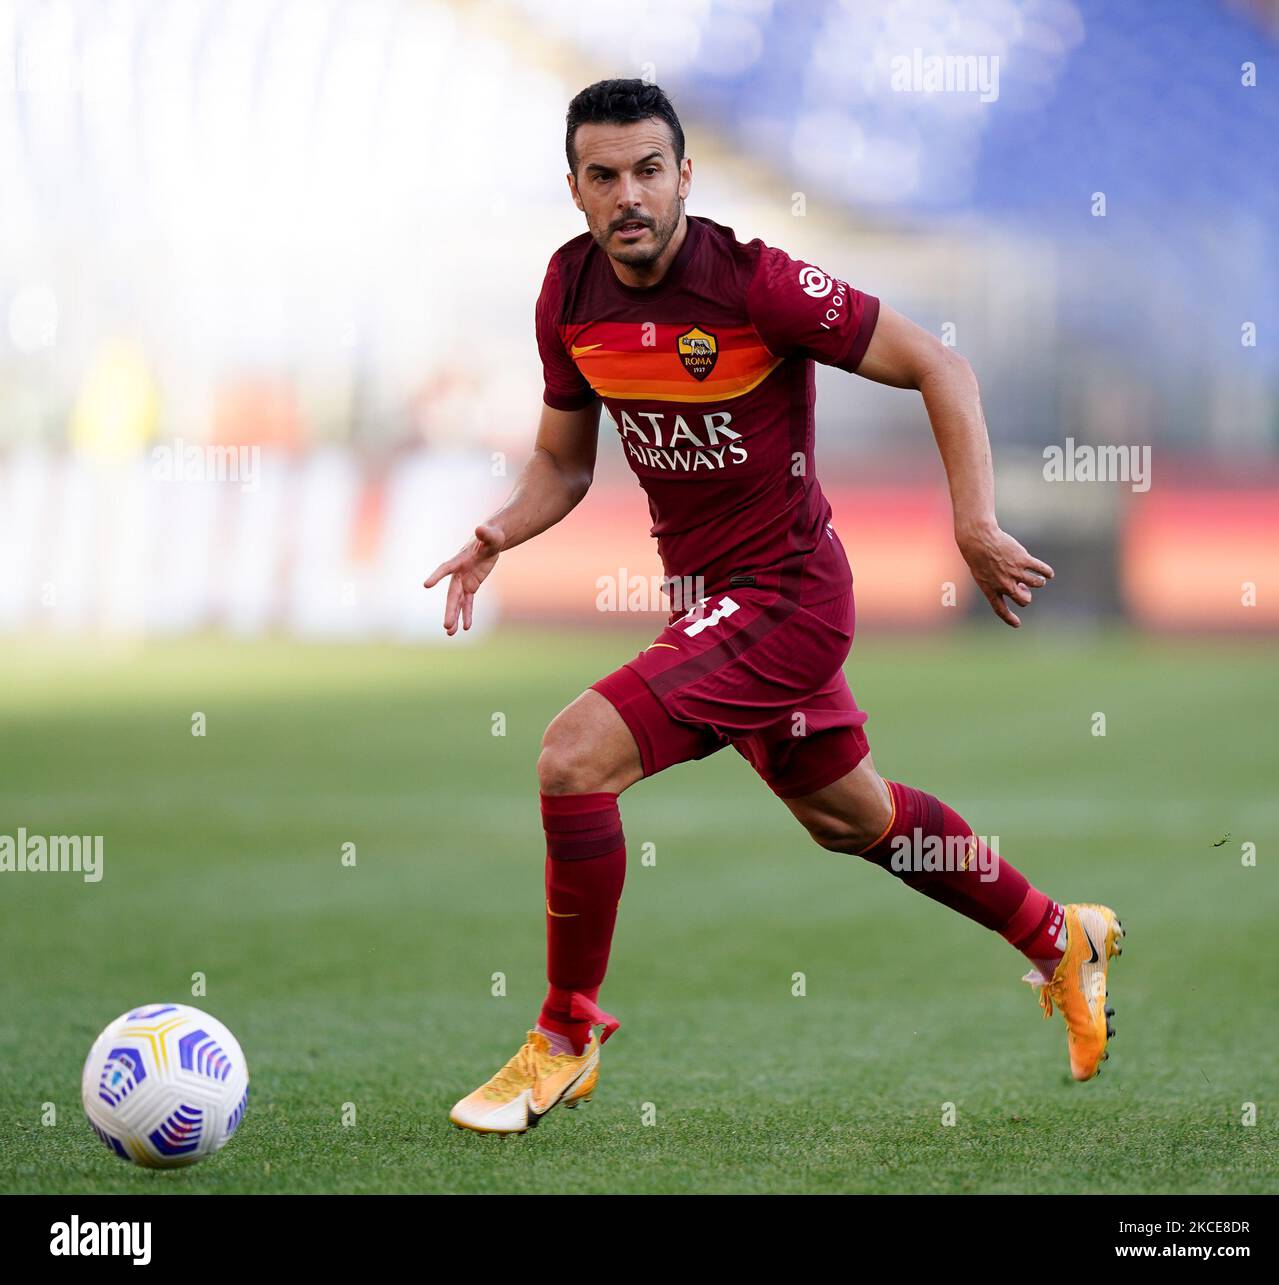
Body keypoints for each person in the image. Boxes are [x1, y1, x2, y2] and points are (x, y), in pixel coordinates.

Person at [426, 79, 1123, 1135]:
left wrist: (973, 523)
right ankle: (1056, 935)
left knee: (572, 759)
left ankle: (564, 1039)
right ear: (573, 189)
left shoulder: (756, 284)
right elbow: (562, 466)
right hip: (708, 607)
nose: (629, 196)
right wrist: (496, 533)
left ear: (685, 178)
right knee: (855, 817)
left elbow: (939, 364)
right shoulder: (567, 296)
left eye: (649, 171)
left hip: (788, 598)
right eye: (604, 175)